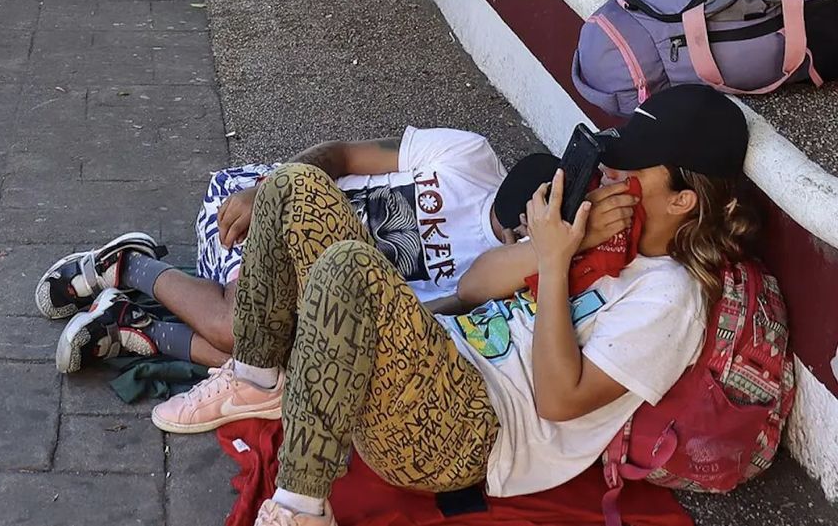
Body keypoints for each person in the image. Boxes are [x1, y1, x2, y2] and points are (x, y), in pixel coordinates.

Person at [153, 85, 756, 526]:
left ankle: (302, 505)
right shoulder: (597, 230)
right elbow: (472, 286)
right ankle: (257, 378)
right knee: (293, 186)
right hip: (437, 359)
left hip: (469, 435)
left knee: (350, 269)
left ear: (682, 199)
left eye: (635, 167)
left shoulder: (669, 297)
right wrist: (557, 243)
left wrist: (553, 263)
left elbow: (559, 399)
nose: (614, 172)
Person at [40, 131, 581, 374]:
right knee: (239, 328)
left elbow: (414, 320)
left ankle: (137, 323)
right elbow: (342, 153)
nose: (510, 237)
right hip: (257, 210)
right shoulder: (469, 156)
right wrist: (268, 190)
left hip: (315, 289)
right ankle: (129, 264)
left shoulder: (498, 279)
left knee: (283, 367)